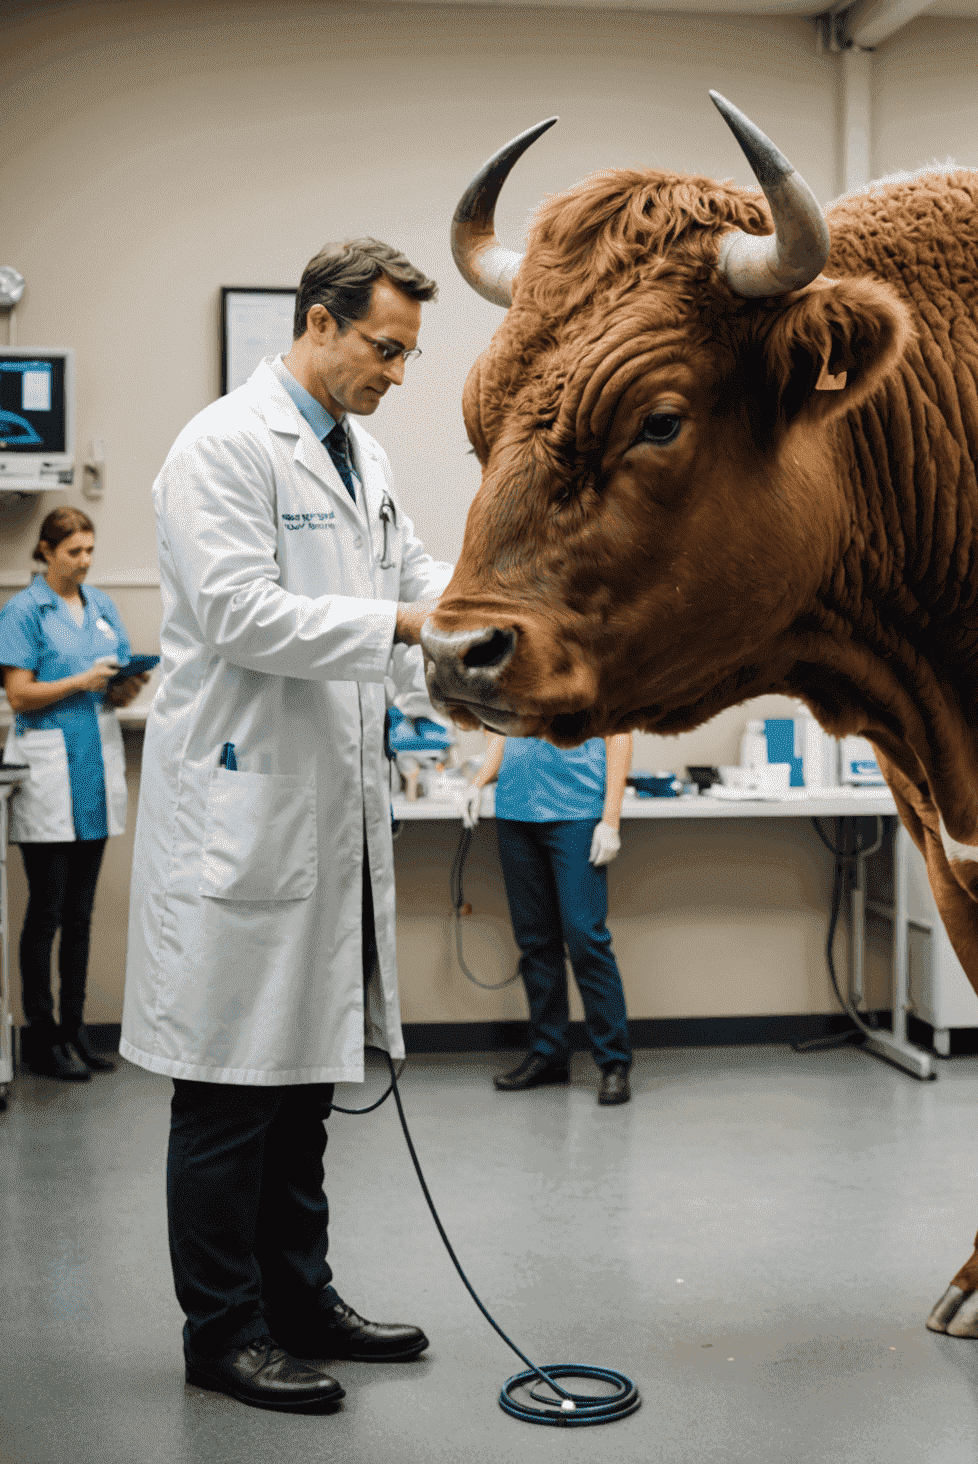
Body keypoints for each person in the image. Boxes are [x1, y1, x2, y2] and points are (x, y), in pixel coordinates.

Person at [118, 239, 451, 1414]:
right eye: (385, 347)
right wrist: (409, 627)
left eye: (409, 352)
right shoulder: (221, 446)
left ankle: (300, 1299)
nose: (398, 373)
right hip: (242, 817)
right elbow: (241, 613)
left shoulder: (361, 451)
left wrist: (502, 602)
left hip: (324, 818)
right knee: (227, 1092)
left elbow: (416, 572)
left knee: (305, 1084)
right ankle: (224, 1333)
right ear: (319, 321)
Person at [0, 507, 149, 1082]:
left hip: (93, 764)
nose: (84, 562)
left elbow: (112, 695)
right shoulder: (23, 611)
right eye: (73, 552)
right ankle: (42, 1035)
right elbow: (19, 695)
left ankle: (76, 1031)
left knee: (81, 913)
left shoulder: (102, 606)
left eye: (89, 551)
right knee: (48, 909)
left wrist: (126, 684)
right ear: (46, 551)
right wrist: (81, 682)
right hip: (48, 771)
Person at [465, 729, 635, 1105]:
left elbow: (618, 737)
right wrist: (478, 781)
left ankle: (614, 1064)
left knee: (585, 939)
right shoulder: (509, 672)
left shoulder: (595, 668)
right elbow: (501, 735)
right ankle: (549, 1054)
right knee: (535, 941)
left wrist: (611, 820)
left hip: (576, 815)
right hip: (516, 813)